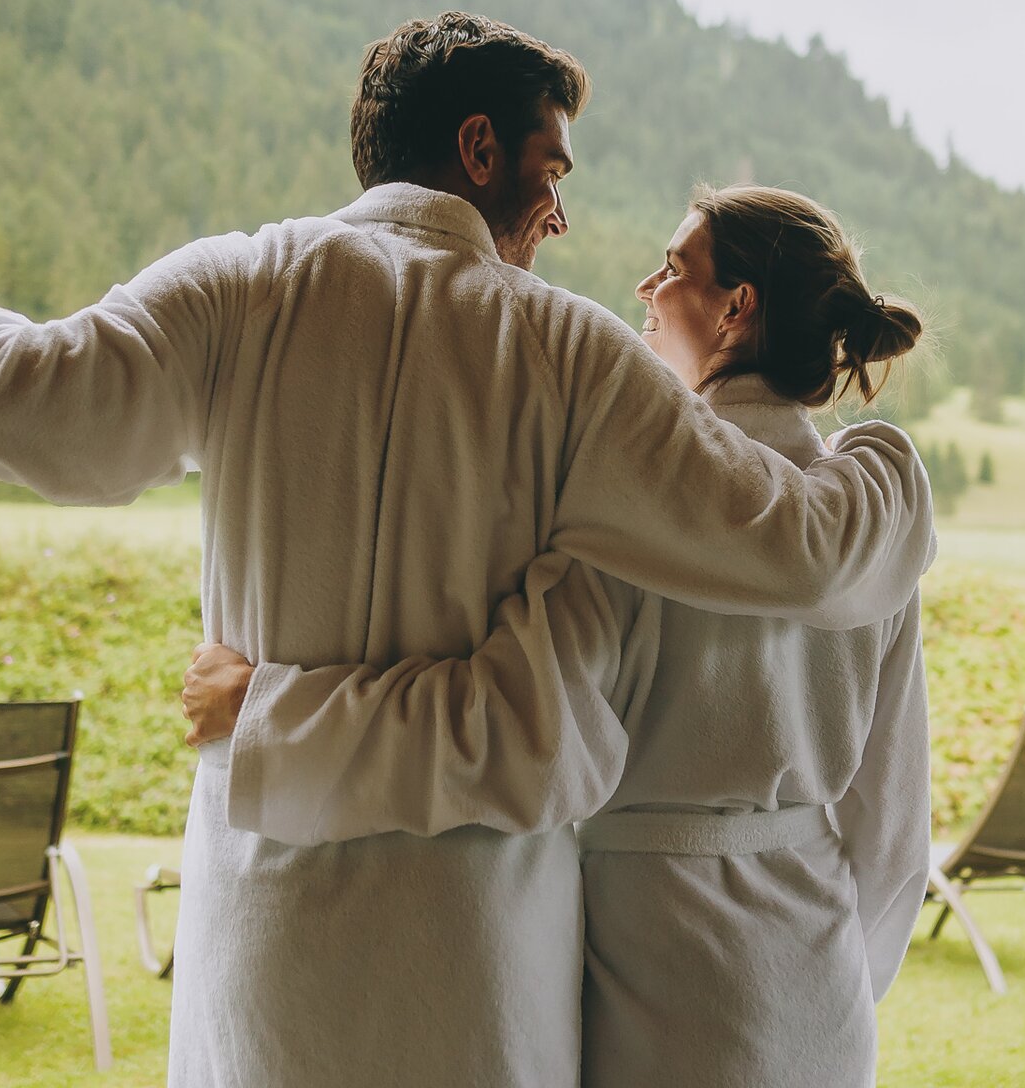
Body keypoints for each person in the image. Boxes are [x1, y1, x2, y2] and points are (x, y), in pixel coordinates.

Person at [0, 14, 935, 1088]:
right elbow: (795, 545)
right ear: (479, 150)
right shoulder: (572, 355)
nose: (561, 207)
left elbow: (28, 403)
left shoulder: (234, 285)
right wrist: (887, 466)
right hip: (478, 979)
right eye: (550, 166)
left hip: (268, 949)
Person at [183, 184, 933, 1088]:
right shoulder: (876, 529)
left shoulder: (633, 512)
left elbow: (511, 732)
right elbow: (892, 824)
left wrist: (267, 710)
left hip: (663, 978)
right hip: (820, 979)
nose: (645, 288)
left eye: (672, 269)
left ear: (736, 309)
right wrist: (847, 974)